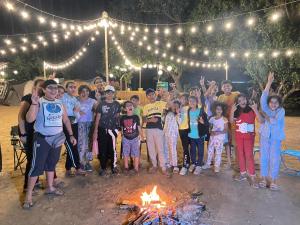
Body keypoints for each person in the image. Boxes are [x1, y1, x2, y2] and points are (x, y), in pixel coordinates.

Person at [23, 80, 76, 209]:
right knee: (36, 166)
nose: (53, 90)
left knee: (51, 164)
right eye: (50, 88)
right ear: (44, 89)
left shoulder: (60, 103)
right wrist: (34, 103)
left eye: (55, 88)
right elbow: (29, 119)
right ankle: (28, 196)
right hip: (42, 138)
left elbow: (65, 120)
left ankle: (50, 187)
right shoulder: (39, 101)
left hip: (57, 138)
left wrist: (71, 134)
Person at [259, 72, 285, 191]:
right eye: (271, 102)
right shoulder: (266, 107)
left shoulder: (281, 111)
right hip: (264, 136)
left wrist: (265, 115)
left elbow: (274, 121)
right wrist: (269, 82)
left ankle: (274, 180)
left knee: (274, 159)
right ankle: (264, 179)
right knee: (264, 157)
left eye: (276, 102)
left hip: (275, 138)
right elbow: (263, 97)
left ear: (279, 104)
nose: (273, 104)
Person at [18, 78, 44, 193]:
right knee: (31, 160)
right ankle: (26, 187)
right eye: (40, 86)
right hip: (28, 133)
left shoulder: (42, 99)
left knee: (36, 158)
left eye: (44, 86)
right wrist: (23, 133)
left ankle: (36, 181)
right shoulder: (28, 98)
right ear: (34, 88)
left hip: (37, 133)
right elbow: (21, 116)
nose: (42, 89)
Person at [230, 93, 261, 188]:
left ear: (247, 100)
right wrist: (232, 111)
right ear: (237, 103)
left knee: (249, 155)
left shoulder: (251, 108)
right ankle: (243, 174)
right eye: (239, 101)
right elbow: (231, 121)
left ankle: (252, 176)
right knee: (240, 155)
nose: (242, 102)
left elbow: (260, 120)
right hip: (239, 137)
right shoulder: (236, 111)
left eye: (243, 99)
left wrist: (255, 109)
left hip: (249, 137)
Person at [93, 85, 121, 176]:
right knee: (102, 148)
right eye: (107, 93)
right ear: (105, 94)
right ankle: (103, 166)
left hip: (113, 130)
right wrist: (95, 131)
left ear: (114, 94)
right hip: (102, 129)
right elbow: (98, 117)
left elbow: (117, 117)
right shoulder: (101, 104)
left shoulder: (117, 104)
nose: (109, 94)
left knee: (112, 148)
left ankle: (114, 166)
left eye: (111, 92)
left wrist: (118, 128)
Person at [61, 81, 86, 176]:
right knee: (71, 146)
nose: (73, 89)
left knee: (73, 146)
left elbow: (78, 115)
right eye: (70, 87)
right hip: (65, 124)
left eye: (74, 87)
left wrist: (77, 112)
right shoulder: (62, 97)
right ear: (66, 88)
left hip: (74, 124)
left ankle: (68, 168)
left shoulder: (75, 100)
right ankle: (77, 167)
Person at [142, 88, 168, 175]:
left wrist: (163, 94)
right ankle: (154, 165)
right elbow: (144, 119)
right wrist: (151, 120)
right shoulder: (145, 107)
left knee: (160, 148)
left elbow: (169, 104)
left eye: (153, 94)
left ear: (155, 95)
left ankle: (163, 167)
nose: (151, 96)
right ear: (147, 97)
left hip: (159, 129)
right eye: (149, 95)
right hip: (149, 129)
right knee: (151, 148)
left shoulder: (160, 103)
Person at [217, 80, 240, 169]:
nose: (227, 88)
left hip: (233, 122)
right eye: (225, 86)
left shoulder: (236, 95)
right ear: (222, 88)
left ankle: (237, 162)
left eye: (228, 86)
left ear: (231, 87)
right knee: (227, 143)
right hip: (224, 123)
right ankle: (229, 162)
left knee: (235, 142)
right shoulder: (220, 97)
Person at [202, 102, 228, 173]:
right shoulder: (212, 119)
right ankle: (208, 164)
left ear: (223, 110)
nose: (219, 110)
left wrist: (218, 133)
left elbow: (225, 130)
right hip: (212, 138)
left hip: (219, 139)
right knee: (210, 150)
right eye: (217, 109)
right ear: (215, 110)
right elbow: (209, 127)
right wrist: (211, 131)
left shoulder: (224, 119)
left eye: (220, 109)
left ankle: (216, 166)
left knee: (218, 153)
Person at [77, 85, 97, 172]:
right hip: (79, 124)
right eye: (83, 91)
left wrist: (98, 99)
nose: (85, 93)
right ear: (79, 92)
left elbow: (98, 109)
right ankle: (81, 162)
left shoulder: (92, 101)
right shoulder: (76, 100)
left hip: (90, 124)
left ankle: (88, 162)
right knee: (81, 144)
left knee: (89, 144)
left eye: (87, 91)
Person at [187, 96, 209, 175]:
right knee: (192, 150)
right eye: (190, 101)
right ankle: (193, 163)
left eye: (193, 101)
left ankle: (199, 165)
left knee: (200, 151)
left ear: (197, 102)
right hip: (191, 135)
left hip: (200, 136)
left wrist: (203, 122)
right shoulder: (188, 111)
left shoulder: (201, 111)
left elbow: (207, 123)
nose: (192, 103)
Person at [120, 101, 142, 174]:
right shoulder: (123, 117)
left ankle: (136, 168)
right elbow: (122, 128)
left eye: (131, 105)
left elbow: (138, 127)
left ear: (133, 107)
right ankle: (126, 167)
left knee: (136, 153)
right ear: (125, 109)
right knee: (125, 153)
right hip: (126, 138)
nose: (130, 107)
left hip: (135, 138)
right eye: (128, 106)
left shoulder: (136, 116)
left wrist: (141, 135)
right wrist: (122, 135)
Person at [164, 100, 181, 173]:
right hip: (166, 134)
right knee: (166, 148)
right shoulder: (168, 113)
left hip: (173, 134)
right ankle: (168, 163)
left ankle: (175, 165)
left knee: (173, 149)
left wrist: (178, 114)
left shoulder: (178, 114)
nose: (175, 107)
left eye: (177, 106)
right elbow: (164, 122)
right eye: (174, 105)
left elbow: (180, 122)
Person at [178, 94, 191, 176]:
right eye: (181, 99)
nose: (182, 100)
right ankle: (186, 162)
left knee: (190, 147)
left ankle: (186, 164)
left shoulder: (189, 108)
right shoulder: (179, 108)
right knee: (185, 147)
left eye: (184, 99)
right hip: (181, 130)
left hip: (189, 130)